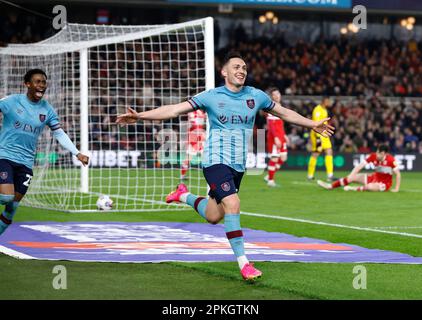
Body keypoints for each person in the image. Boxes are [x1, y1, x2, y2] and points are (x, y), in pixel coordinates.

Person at [116, 53, 334, 281]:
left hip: (238, 166)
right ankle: (244, 264)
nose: (241, 70)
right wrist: (141, 115)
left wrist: (313, 124)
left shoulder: (256, 96)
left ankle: (183, 195)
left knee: (213, 215)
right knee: (233, 203)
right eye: (236, 67)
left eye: (244, 67)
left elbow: (284, 112)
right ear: (224, 72)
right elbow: (174, 109)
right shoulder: (211, 96)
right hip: (214, 160)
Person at [0, 69, 90, 235]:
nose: (41, 85)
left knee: (11, 208)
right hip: (4, 156)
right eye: (37, 82)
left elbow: (59, 133)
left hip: (26, 163)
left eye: (43, 82)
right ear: (27, 84)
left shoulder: (47, 110)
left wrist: (77, 153)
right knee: (5, 197)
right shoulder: (12, 101)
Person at [317, 145, 400, 192]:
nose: (376, 154)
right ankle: (330, 186)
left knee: (370, 187)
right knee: (352, 177)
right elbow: (360, 166)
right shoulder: (373, 156)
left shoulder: (391, 160)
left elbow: (398, 174)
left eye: (378, 153)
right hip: (373, 177)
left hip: (384, 184)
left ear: (383, 153)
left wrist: (396, 189)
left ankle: (353, 188)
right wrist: (351, 176)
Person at [264, 87, 289, 187]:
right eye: (275, 94)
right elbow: (271, 124)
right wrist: (276, 137)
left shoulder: (280, 106)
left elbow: (279, 124)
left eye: (278, 94)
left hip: (281, 136)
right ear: (272, 97)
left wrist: (284, 135)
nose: (277, 96)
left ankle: (269, 175)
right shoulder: (271, 107)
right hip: (275, 137)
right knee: (274, 158)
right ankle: (270, 180)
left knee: (283, 157)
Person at [307, 96, 335, 181]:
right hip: (317, 134)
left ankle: (330, 175)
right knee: (315, 154)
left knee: (329, 151)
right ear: (324, 101)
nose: (329, 103)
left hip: (324, 133)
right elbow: (315, 124)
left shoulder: (324, 110)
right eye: (328, 101)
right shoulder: (317, 110)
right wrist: (318, 137)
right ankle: (310, 175)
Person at [180, 109, 206, 180]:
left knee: (206, 156)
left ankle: (182, 175)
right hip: (195, 137)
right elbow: (191, 124)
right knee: (189, 158)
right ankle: (182, 175)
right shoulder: (194, 112)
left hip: (199, 136)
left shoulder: (199, 112)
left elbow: (199, 124)